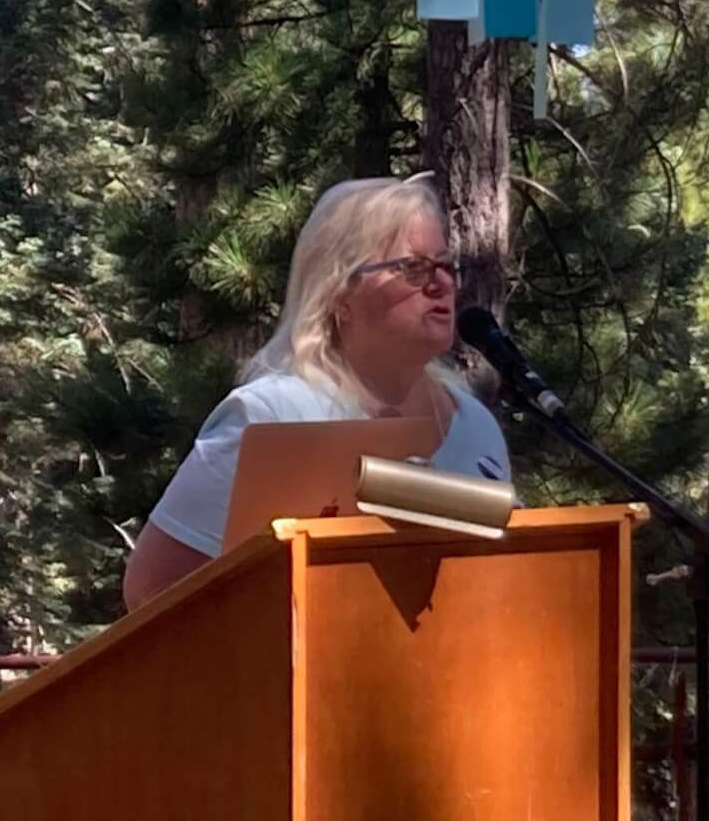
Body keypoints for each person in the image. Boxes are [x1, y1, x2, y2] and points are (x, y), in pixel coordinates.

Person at [121, 174, 511, 610]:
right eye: (413, 268)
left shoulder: (475, 427)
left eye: (445, 266)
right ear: (340, 294)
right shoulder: (272, 416)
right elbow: (151, 589)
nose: (441, 284)